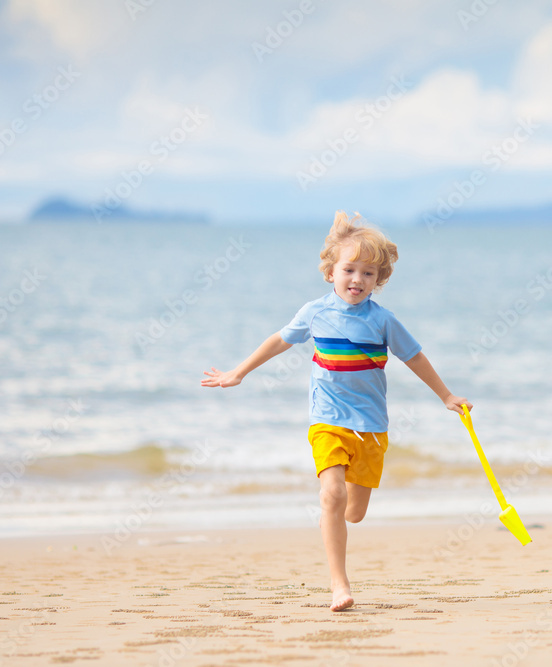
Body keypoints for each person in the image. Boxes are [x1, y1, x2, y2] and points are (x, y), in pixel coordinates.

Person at [201, 211, 471, 611]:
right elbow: (279, 341)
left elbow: (414, 357)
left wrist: (446, 396)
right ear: (331, 272)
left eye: (368, 273)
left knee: (355, 512)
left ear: (379, 280)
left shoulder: (383, 320)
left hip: (372, 427)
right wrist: (238, 372)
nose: (357, 280)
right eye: (349, 269)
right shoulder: (314, 312)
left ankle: (343, 524)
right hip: (327, 421)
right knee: (331, 495)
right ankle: (339, 585)